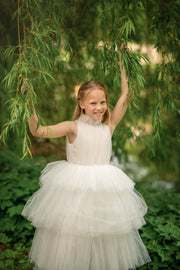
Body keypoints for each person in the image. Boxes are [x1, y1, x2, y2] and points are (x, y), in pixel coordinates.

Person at [21, 44, 151, 270]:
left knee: (105, 236)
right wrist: (28, 101)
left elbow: (127, 94)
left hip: (104, 190)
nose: (99, 107)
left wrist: (123, 62)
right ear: (81, 104)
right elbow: (38, 131)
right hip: (76, 191)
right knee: (74, 235)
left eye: (102, 102)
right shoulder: (72, 127)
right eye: (93, 103)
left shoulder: (109, 126)